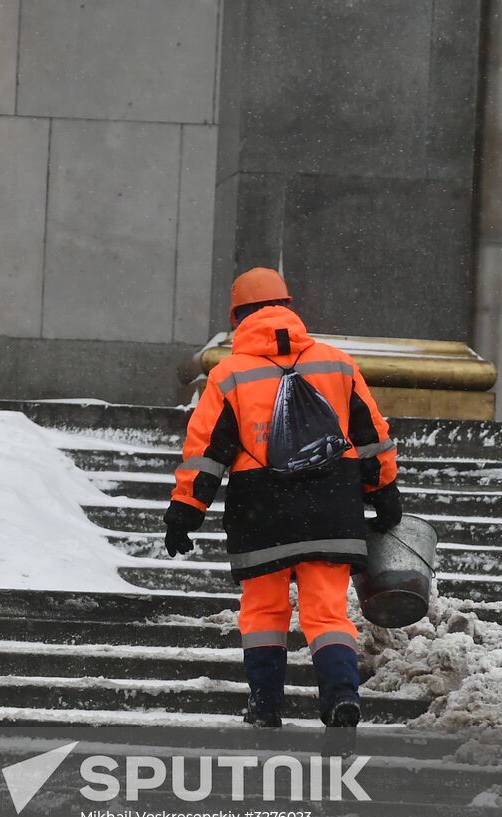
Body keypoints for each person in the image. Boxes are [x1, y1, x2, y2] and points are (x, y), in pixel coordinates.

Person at [165, 267, 402, 727]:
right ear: (288, 309)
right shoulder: (336, 362)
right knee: (328, 611)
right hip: (332, 503)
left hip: (262, 508)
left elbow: (207, 452)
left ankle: (267, 704)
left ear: (238, 317)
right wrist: (384, 489)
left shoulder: (229, 375)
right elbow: (372, 436)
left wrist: (185, 510)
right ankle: (339, 698)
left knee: (264, 611)